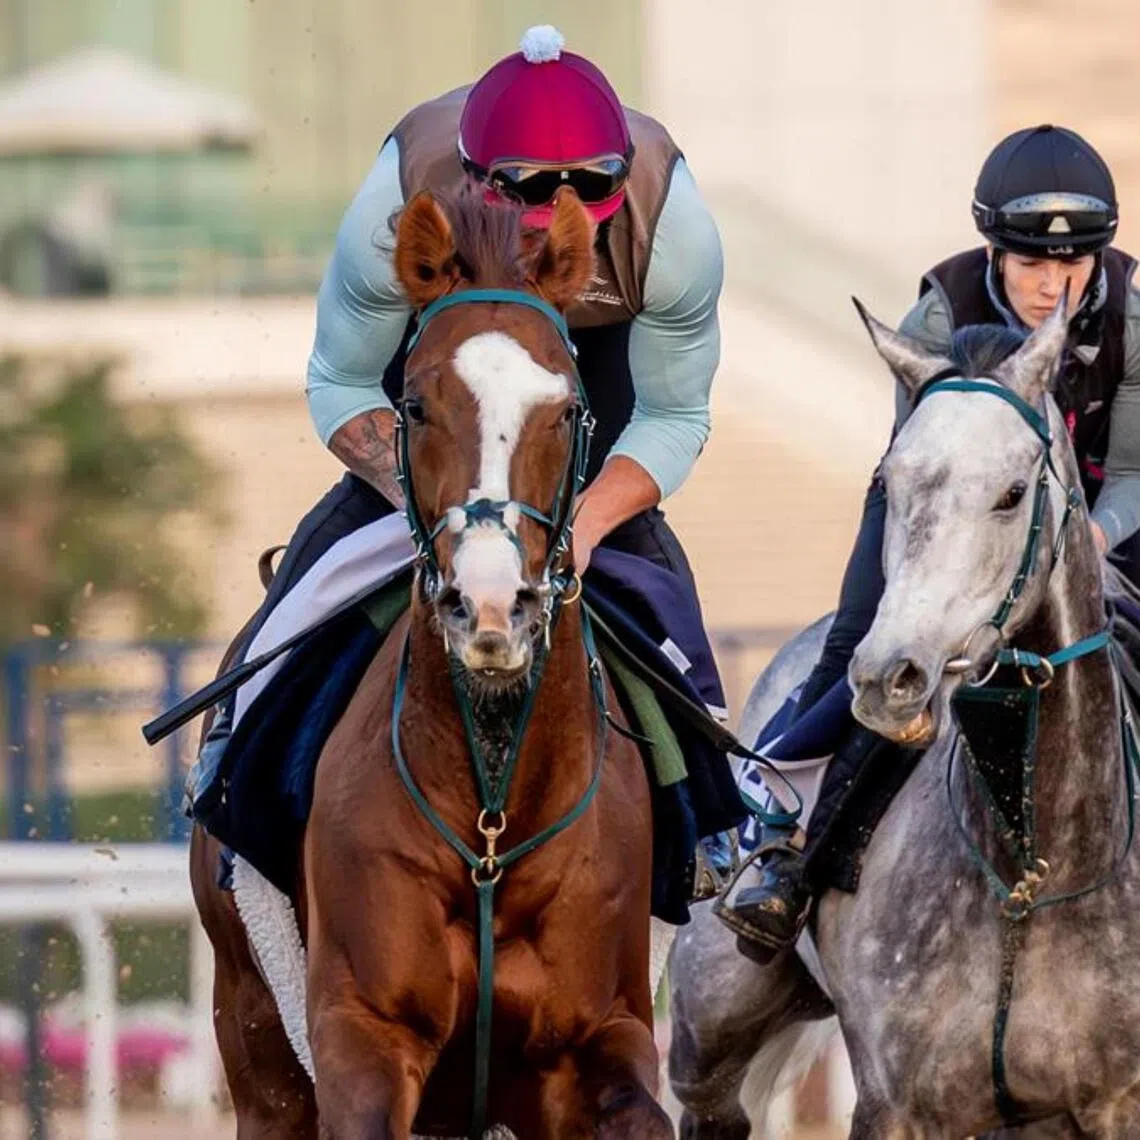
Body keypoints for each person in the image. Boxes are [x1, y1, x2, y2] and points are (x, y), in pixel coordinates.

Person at [184, 26, 724, 817]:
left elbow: (674, 411)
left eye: (581, 194)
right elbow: (340, 378)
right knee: (315, 573)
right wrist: (436, 508)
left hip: (578, 370)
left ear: (620, 179)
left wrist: (582, 525)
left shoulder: (672, 233)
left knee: (655, 581)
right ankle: (236, 740)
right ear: (475, 179)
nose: (549, 221)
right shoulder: (398, 208)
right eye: (527, 193)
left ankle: (717, 800)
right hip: (441, 362)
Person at [727, 123, 1140, 960]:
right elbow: (919, 470)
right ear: (993, 252)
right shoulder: (937, 312)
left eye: (1074, 265)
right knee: (864, 646)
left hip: (1100, 517)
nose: (1053, 284)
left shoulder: (1136, 311)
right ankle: (784, 850)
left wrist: (1087, 534)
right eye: (1031, 265)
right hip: (944, 505)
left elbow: (1132, 466)